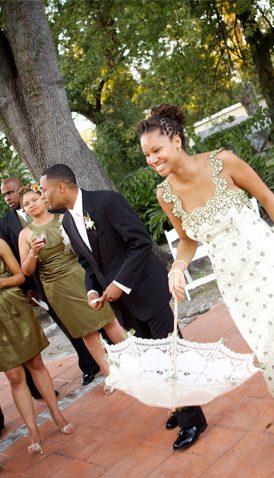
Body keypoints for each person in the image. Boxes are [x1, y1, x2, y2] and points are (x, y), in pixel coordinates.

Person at [137, 104, 274, 454]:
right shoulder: (166, 195)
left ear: (176, 141)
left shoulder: (223, 161)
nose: (152, 159)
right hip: (234, 282)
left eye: (156, 149)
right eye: (146, 154)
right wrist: (177, 266)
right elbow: (187, 239)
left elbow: (266, 198)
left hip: (265, 261)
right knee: (269, 353)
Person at [40, 163, 209, 451]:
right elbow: (88, 263)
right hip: (126, 305)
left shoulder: (106, 201)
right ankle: (177, 406)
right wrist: (92, 290)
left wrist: (120, 283)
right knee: (153, 358)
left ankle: (193, 420)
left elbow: (140, 243)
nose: (42, 197)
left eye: (43, 190)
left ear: (61, 187)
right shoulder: (67, 221)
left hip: (147, 290)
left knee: (170, 352)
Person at [17, 186, 126, 394]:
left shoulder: (64, 219)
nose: (31, 205)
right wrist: (33, 252)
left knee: (108, 319)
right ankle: (110, 374)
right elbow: (27, 270)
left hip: (82, 276)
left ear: (42, 198)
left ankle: (135, 364)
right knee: (87, 332)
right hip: (57, 287)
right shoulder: (25, 234)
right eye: (26, 204)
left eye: (34, 199)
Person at [1, 178, 100, 392]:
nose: (8, 197)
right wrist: (28, 290)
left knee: (99, 314)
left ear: (23, 190)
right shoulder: (5, 224)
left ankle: (114, 355)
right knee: (69, 324)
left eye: (10, 192)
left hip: (75, 272)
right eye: (4, 195)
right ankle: (89, 364)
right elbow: (12, 260)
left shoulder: (54, 209)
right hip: (42, 284)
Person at [0, 238, 74, 456]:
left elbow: (19, 276)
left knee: (36, 363)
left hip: (14, 309)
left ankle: (56, 413)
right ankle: (33, 431)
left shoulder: (1, 243)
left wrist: (1, 283)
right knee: (14, 376)